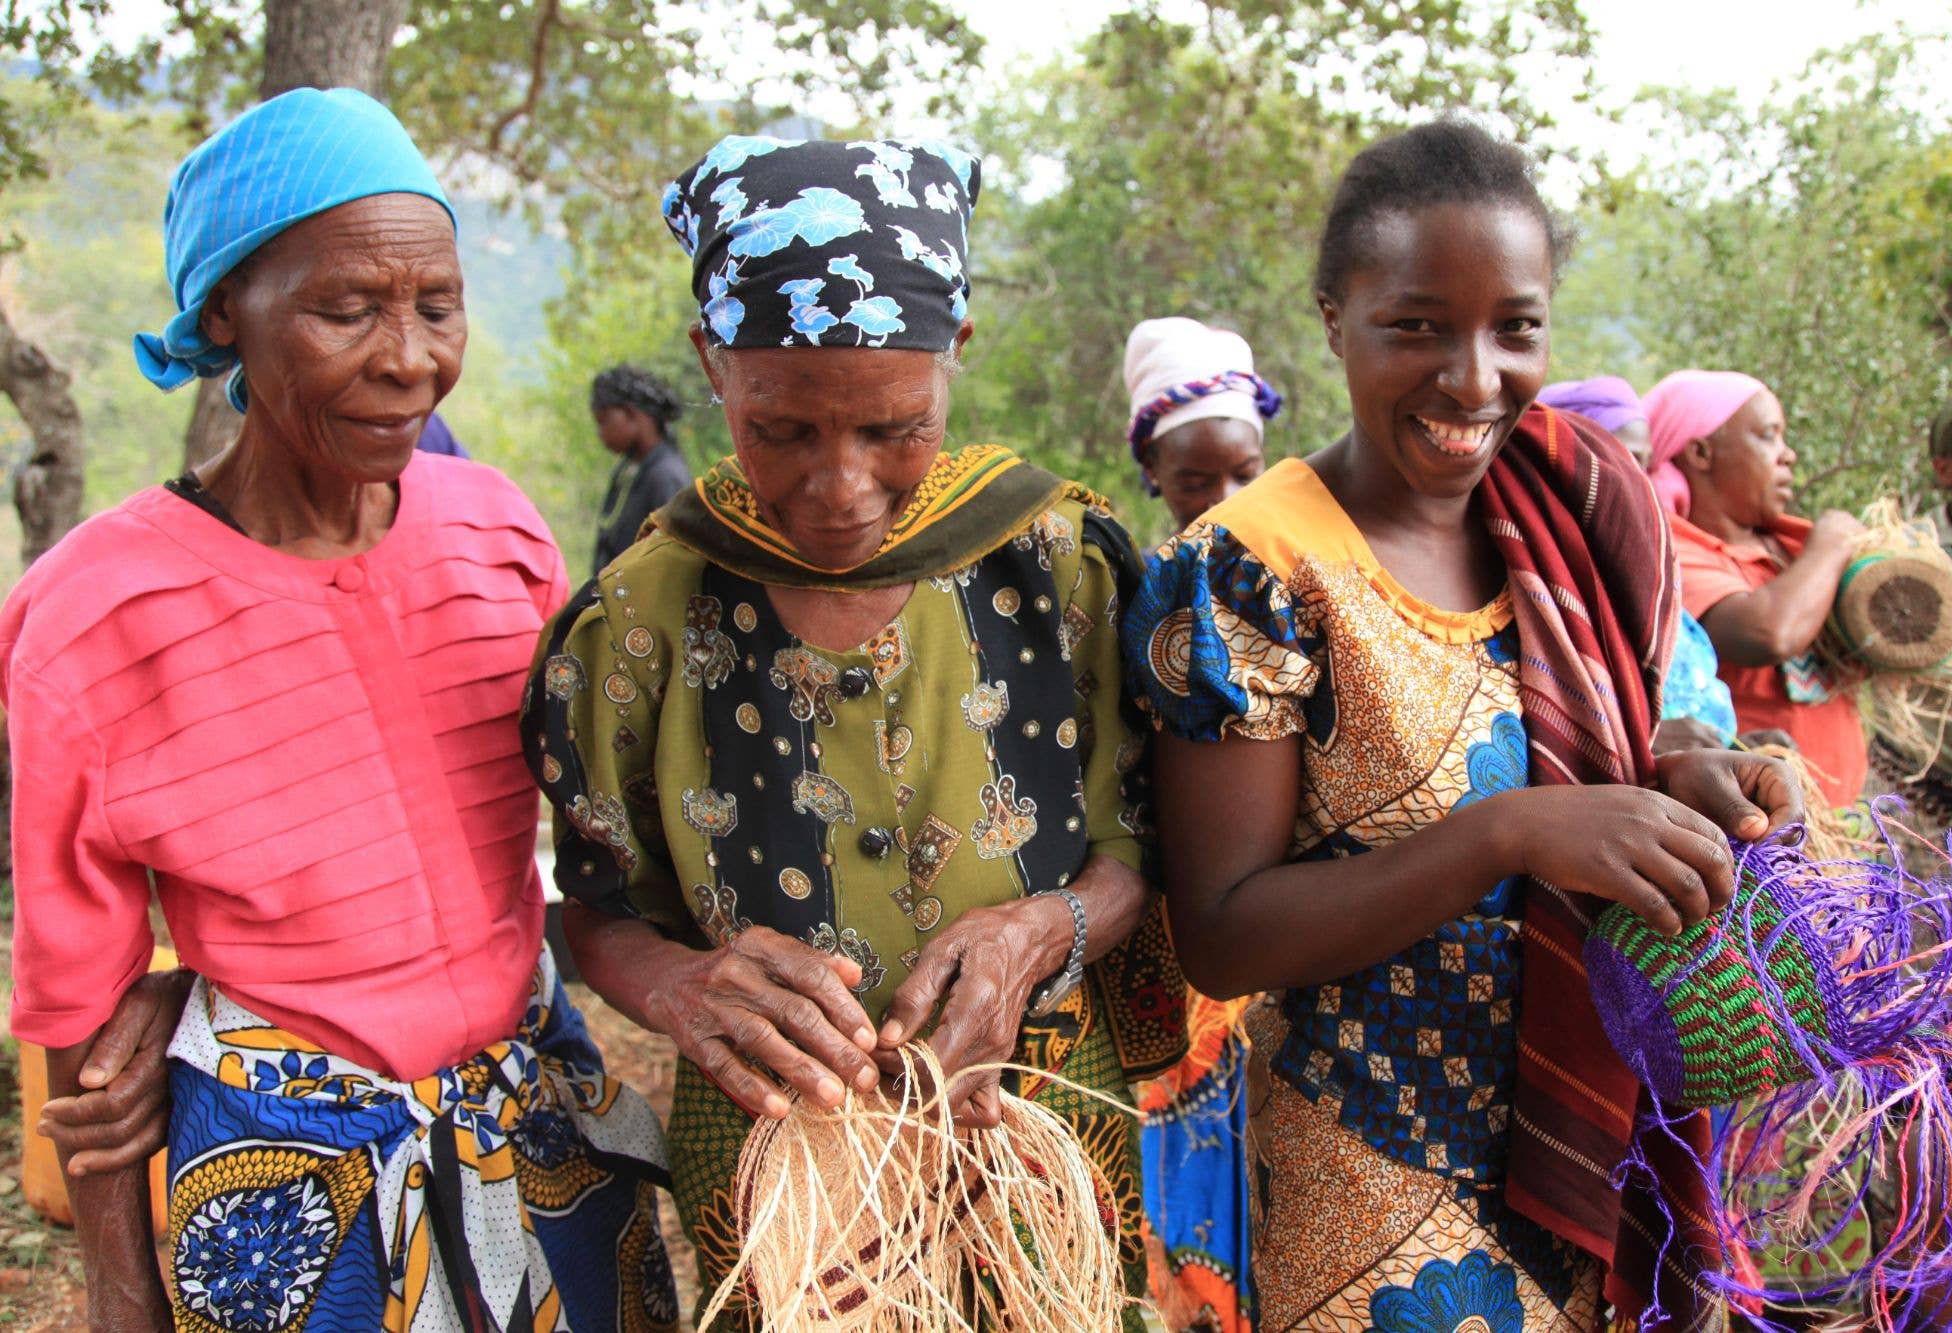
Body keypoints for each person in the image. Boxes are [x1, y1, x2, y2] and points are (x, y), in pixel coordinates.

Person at [6, 88, 675, 1331]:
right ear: (224, 314)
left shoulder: (497, 532)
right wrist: (116, 1287)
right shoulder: (99, 611)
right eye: (344, 309)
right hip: (284, 1177)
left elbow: (601, 832)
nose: (408, 357)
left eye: (434, 304)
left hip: (537, 1134)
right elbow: (76, 1000)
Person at [1123, 120, 1802, 1330]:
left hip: (1607, 1150)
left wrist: (1697, 777)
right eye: (1416, 326)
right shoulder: (1244, 569)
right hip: (1373, 1191)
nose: (1474, 377)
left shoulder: (1572, 508)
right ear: (1333, 318)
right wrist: (1505, 834)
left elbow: (1615, 740)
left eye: (1515, 327)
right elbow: (1220, 937)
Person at [525, 134, 1185, 1329]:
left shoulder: (1058, 566)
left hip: (1031, 1111)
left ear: (955, 360)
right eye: (782, 431)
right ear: (711, 366)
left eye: (894, 427)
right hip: (779, 1144)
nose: (842, 488)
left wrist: (1046, 925)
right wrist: (681, 984)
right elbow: (596, 905)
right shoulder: (639, 619)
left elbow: (1136, 844)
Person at [1122, 313, 1270, 1333]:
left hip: (1268, 950)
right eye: (1192, 483)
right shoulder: (1129, 600)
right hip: (1159, 964)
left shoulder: (1284, 593)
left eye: (1242, 475)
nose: (1220, 505)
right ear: (1152, 478)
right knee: (1176, 1198)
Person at [1642, 370, 1869, 804]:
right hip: (1752, 823)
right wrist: (1834, 542)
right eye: (1769, 437)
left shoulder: (1787, 546)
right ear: (1702, 452)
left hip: (1843, 822)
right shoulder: (1666, 548)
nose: (1789, 456)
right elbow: (1766, 632)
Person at [1871, 387, 1952, 1072]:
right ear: (1944, 466)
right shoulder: (1903, 558)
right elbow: (1929, 677)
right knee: (1942, 1045)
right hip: (1936, 835)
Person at [1542, 376, 1738, 749]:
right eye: (1623, 457)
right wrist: (1647, 743)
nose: (1640, 481)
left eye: (1647, 466)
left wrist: (1741, 749)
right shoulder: (1542, 583)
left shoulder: (1649, 580)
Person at [1124, 316, 1281, 531]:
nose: (1226, 502)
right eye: (1195, 485)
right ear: (1151, 469)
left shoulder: (1306, 559)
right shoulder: (1134, 565)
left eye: (1245, 475)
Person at [590, 363, 691, 570]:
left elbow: (675, 560)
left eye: (603, 421)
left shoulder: (667, 476)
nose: (600, 433)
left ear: (631, 414)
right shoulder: (626, 471)